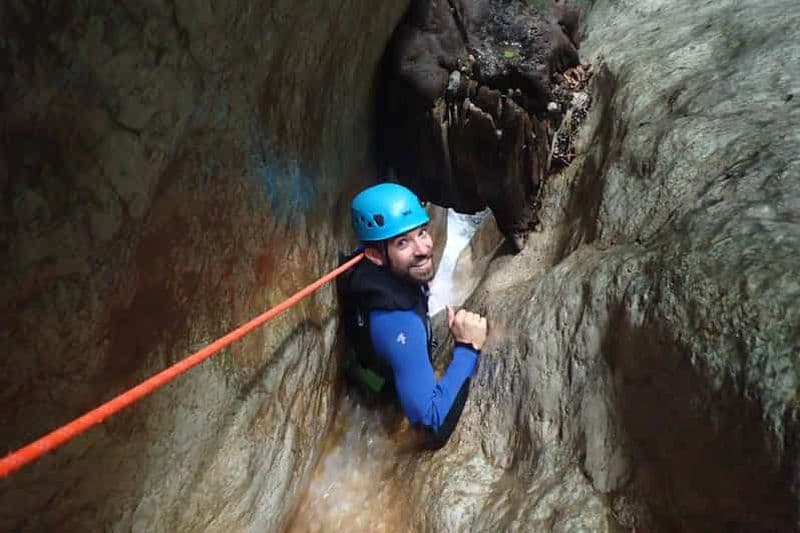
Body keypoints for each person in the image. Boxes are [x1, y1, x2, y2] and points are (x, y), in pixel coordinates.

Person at [338, 182, 488, 448]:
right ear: (375, 255)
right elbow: (432, 425)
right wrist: (468, 347)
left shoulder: (374, 267)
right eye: (403, 242)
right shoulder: (400, 322)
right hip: (383, 383)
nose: (424, 249)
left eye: (422, 232)